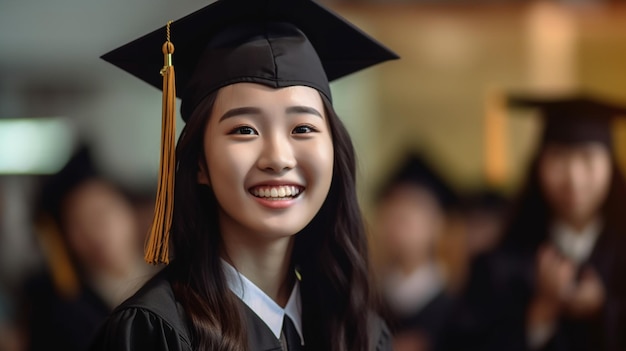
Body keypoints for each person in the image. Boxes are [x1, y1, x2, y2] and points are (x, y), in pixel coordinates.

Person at [90, 0, 398, 350]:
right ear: (200, 165)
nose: (278, 158)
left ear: (334, 151)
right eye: (245, 130)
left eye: (302, 128)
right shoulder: (156, 332)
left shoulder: (358, 332)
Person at [442, 93, 626, 351]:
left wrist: (606, 309)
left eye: (587, 158)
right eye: (559, 157)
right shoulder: (500, 264)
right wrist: (540, 314)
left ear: (611, 166)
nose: (574, 178)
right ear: (538, 164)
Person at [22, 146, 154, 351]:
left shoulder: (180, 278)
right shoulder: (61, 313)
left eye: (103, 211)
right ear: (67, 241)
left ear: (129, 211)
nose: (96, 231)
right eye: (79, 223)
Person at [374, 153, 458, 351]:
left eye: (415, 205)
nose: (401, 215)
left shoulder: (459, 306)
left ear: (438, 223)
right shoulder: (365, 300)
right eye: (393, 204)